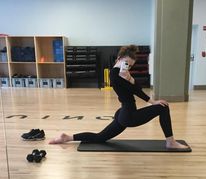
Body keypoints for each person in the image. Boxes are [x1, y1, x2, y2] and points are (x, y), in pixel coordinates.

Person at [49, 45, 188, 149]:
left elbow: (135, 88)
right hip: (128, 116)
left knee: (100, 138)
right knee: (163, 108)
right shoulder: (115, 75)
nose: (128, 67)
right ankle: (170, 141)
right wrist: (153, 101)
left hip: (123, 113)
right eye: (126, 63)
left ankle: (67, 137)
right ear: (119, 59)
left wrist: (130, 79)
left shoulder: (121, 74)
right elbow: (136, 91)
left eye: (130, 66)